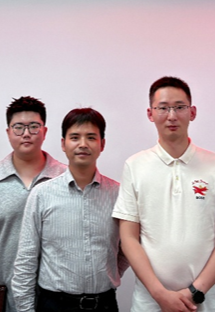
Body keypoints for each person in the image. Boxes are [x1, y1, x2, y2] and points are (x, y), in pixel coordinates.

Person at [113, 76, 215, 312]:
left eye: (179, 107)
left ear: (192, 112)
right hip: (150, 302)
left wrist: (194, 291)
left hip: (206, 302)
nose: (172, 116)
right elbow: (129, 238)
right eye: (163, 108)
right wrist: (160, 294)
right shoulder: (135, 166)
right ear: (150, 114)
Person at [12, 108, 129, 312]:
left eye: (91, 137)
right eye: (75, 137)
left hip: (104, 304)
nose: (83, 144)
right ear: (63, 144)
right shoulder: (42, 194)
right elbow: (26, 261)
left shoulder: (118, 194)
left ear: (102, 144)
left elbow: (128, 249)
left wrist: (109, 274)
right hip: (55, 305)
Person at [0, 96, 67, 312]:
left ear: (44, 131)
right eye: (18, 127)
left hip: (55, 297)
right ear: (8, 132)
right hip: (0, 295)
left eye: (33, 126)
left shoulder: (65, 178)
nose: (26, 133)